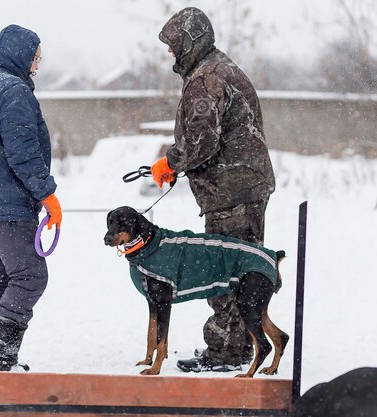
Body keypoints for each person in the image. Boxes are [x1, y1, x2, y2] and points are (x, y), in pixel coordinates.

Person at [150, 7, 276, 372]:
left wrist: (170, 162)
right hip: (240, 187)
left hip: (233, 193)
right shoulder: (218, 68)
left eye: (175, 46)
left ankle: (225, 351)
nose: (171, 53)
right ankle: (235, 345)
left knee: (226, 270)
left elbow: (203, 138)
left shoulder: (206, 78)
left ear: (192, 42)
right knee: (241, 269)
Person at [0, 24, 62, 371]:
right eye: (35, 58)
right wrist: (47, 194)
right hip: (7, 203)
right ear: (21, 55)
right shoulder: (15, 91)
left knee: (0, 278)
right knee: (30, 275)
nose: (37, 65)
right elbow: (23, 152)